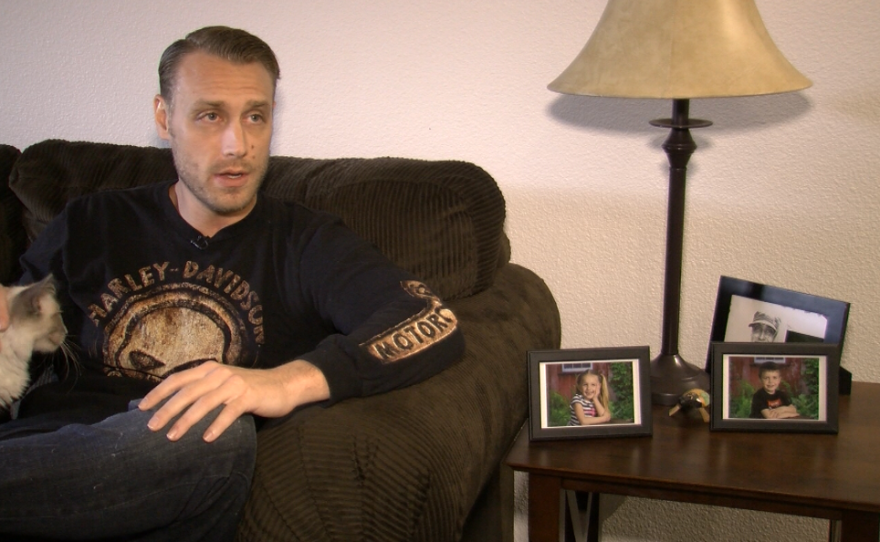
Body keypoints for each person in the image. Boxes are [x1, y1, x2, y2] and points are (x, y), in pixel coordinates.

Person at [0, 26, 463, 541]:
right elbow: (19, 333)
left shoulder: (306, 243)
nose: (236, 145)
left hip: (180, 473)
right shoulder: (92, 221)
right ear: (163, 116)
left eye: (255, 117)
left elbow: (431, 321)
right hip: (38, 459)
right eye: (209, 115)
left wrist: (284, 382)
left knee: (217, 426)